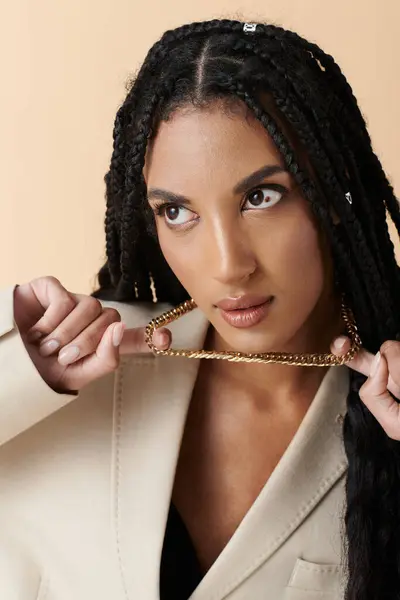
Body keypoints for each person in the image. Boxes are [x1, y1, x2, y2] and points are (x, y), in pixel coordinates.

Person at [0, 17, 399, 600]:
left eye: (261, 197)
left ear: (331, 194)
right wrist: (27, 373)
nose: (228, 265)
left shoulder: (384, 417)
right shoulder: (69, 373)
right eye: (177, 213)